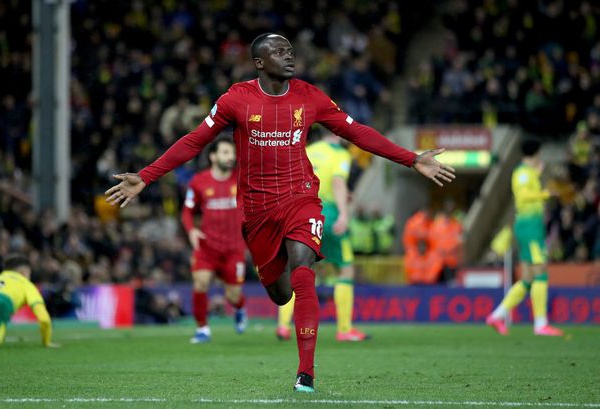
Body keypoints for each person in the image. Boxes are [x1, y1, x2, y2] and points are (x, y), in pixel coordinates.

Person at [105, 33, 455, 393]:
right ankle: (280, 279)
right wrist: (146, 176)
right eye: (279, 52)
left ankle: (306, 373)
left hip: (300, 197)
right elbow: (195, 140)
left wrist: (411, 159)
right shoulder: (236, 100)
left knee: (304, 268)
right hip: (257, 210)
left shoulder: (310, 96)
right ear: (259, 62)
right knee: (280, 294)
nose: (289, 56)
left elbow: (357, 133)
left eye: (290, 50)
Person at [276, 130, 369, 342]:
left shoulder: (306, 150)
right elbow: (337, 182)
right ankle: (344, 329)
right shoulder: (340, 154)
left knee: (300, 268)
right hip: (327, 213)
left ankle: (283, 326)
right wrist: (344, 213)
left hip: (301, 213)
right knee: (345, 269)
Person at [486, 140, 563, 336]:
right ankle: (541, 324)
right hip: (530, 227)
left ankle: (497, 316)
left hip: (531, 225)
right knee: (541, 272)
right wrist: (545, 194)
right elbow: (523, 196)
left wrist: (537, 175)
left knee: (528, 279)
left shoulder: (528, 173)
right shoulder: (522, 173)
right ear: (536, 153)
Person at [181, 137, 247, 343]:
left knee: (233, 295)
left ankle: (239, 308)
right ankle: (202, 329)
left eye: (233, 153)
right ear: (213, 156)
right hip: (207, 247)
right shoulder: (198, 182)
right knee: (200, 283)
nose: (231, 157)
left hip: (234, 249)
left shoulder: (242, 180)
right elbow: (187, 211)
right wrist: (191, 231)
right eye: (226, 152)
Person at [0, 254, 60, 347]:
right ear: (24, 272)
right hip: (3, 304)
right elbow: (44, 319)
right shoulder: (27, 285)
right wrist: (47, 341)